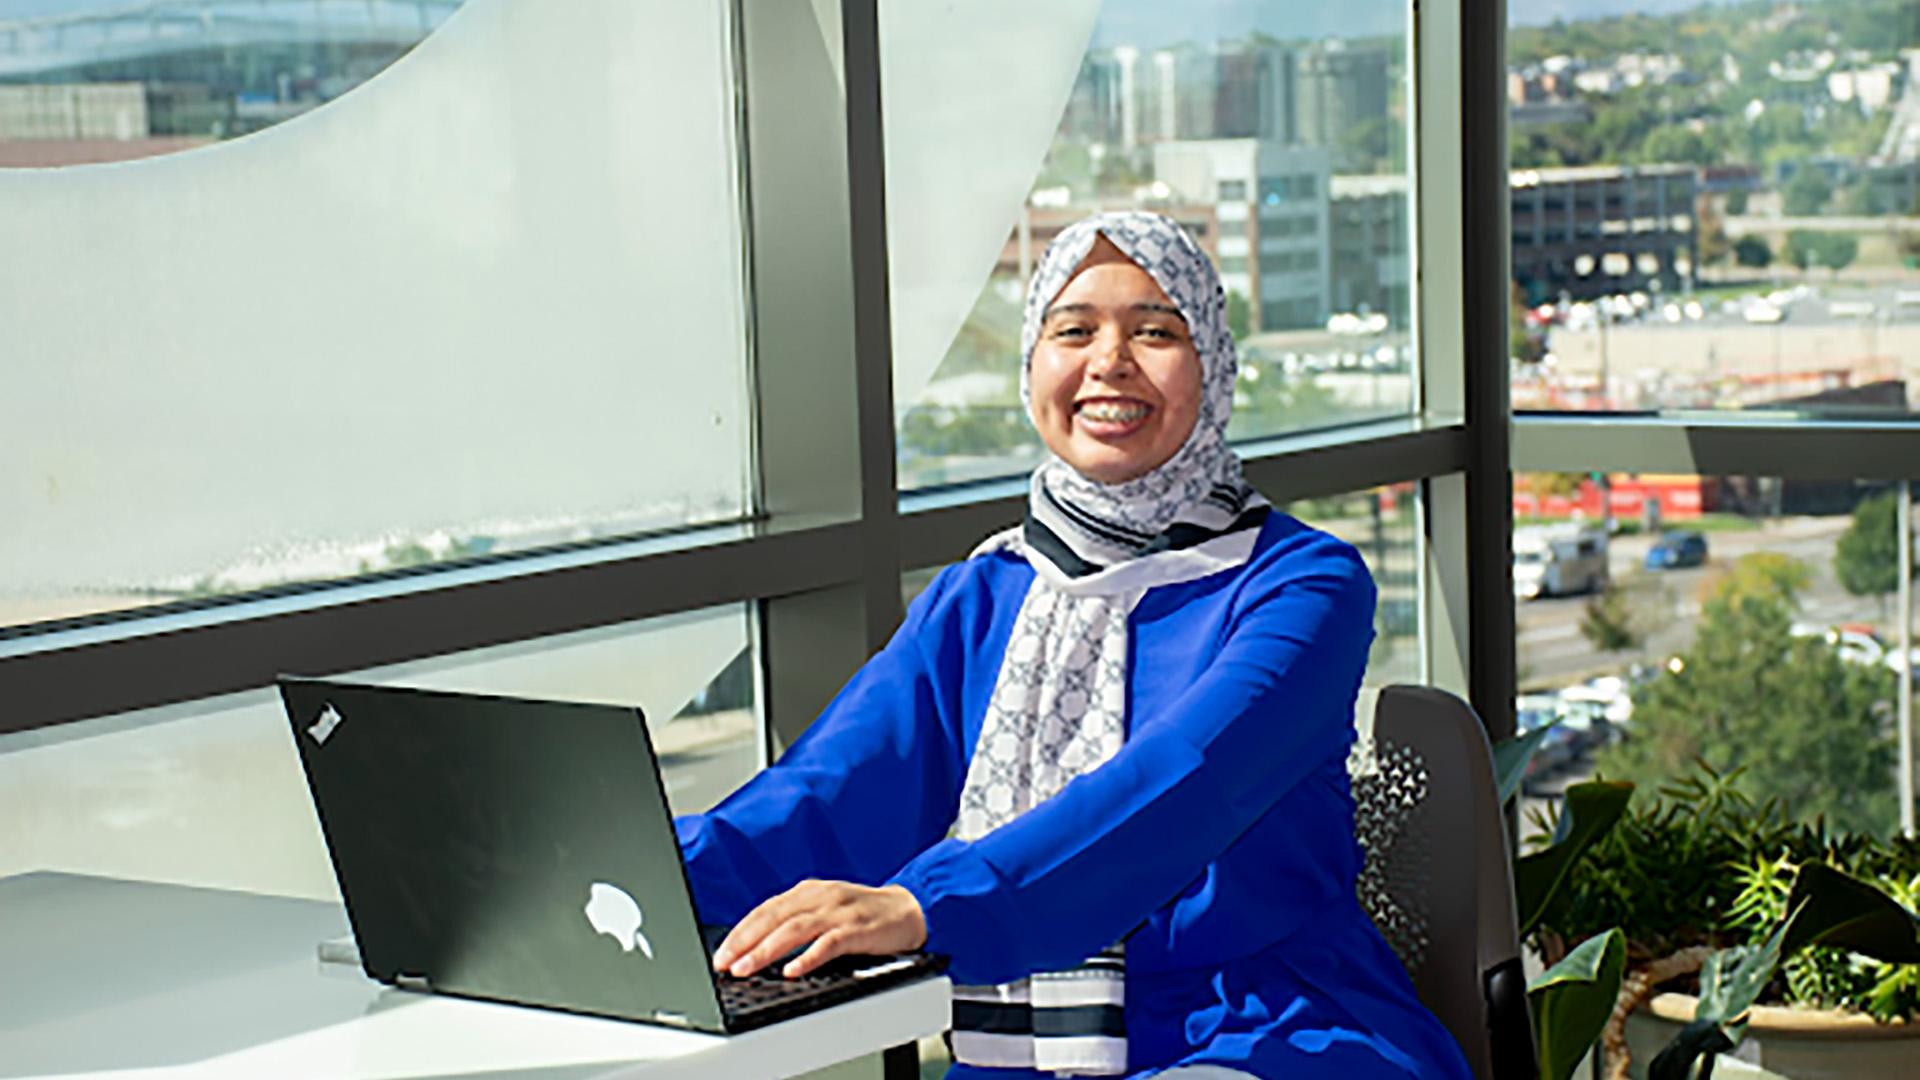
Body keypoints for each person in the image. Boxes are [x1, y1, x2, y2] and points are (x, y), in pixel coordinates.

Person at [673, 211, 1471, 1079]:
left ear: (1213, 366)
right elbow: (828, 797)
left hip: (1263, 1027)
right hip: (1018, 1052)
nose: (1109, 361)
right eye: (1074, 330)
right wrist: (637, 879)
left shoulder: (1301, 585)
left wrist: (928, 907)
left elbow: (1180, 787)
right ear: (1032, 368)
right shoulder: (984, 594)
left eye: (1157, 331)